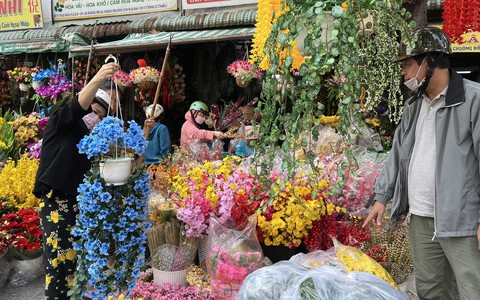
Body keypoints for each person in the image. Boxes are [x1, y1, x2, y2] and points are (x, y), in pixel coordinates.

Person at [363, 27, 480, 300]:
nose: (404, 72)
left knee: (473, 289)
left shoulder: (473, 100)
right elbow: (398, 153)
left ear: (432, 61)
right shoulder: (414, 105)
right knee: (431, 290)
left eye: (408, 64)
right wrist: (382, 197)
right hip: (421, 218)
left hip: (461, 219)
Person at [33, 62, 120, 299]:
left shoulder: (87, 139)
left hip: (76, 204)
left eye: (102, 116)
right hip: (56, 202)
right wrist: (99, 78)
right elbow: (77, 105)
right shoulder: (61, 121)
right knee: (59, 264)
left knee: (75, 264)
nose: (97, 119)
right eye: (96, 112)